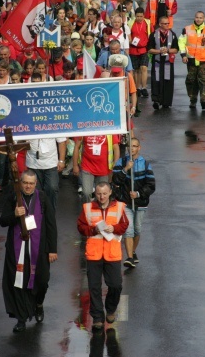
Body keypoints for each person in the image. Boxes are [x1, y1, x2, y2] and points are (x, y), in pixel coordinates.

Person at [0, 170, 58, 333]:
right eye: (25, 183)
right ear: (21, 182)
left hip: (39, 248)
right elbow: (3, 221)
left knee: (42, 280)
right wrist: (14, 215)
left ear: (35, 184)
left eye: (31, 183)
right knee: (19, 282)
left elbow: (51, 225)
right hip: (17, 248)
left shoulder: (43, 198)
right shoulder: (14, 197)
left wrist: (52, 249)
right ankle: (21, 319)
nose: (28, 186)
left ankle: (39, 304)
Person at [77, 182, 129, 330]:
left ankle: (111, 309)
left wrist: (114, 228)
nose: (101, 196)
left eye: (104, 193)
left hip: (112, 253)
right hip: (94, 253)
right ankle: (98, 318)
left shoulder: (119, 207)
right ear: (95, 193)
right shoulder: (87, 208)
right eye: (99, 193)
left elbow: (124, 224)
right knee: (94, 287)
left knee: (115, 285)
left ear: (110, 192)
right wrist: (93, 230)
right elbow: (80, 226)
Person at [112, 137, 155, 267]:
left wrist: (138, 194)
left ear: (139, 148)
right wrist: (125, 169)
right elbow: (115, 180)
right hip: (125, 202)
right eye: (130, 146)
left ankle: (133, 251)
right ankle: (130, 257)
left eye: (135, 146)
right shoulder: (121, 162)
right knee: (129, 230)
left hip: (141, 202)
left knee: (137, 229)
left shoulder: (146, 164)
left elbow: (151, 185)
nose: (132, 148)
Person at [179, 11, 205, 110]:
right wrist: (183, 55)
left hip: (204, 60)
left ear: (204, 19)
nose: (198, 19)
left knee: (203, 81)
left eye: (201, 18)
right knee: (191, 80)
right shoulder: (187, 29)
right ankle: (193, 100)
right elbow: (181, 42)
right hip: (191, 60)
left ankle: (204, 100)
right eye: (197, 17)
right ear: (194, 18)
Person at [72, 133, 121, 203]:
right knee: (86, 192)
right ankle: (87, 211)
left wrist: (115, 166)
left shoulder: (109, 128)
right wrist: (75, 165)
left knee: (102, 195)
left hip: (104, 169)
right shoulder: (84, 127)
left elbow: (116, 148)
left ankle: (98, 211)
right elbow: (77, 146)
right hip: (87, 166)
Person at [147, 16, 179, 109]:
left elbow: (176, 49)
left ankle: (166, 102)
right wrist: (159, 51)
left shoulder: (172, 34)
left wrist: (168, 50)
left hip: (168, 62)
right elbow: (149, 49)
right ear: (160, 24)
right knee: (156, 80)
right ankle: (156, 100)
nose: (167, 25)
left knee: (168, 81)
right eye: (165, 24)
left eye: (168, 23)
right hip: (157, 61)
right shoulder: (153, 35)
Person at [127, 7, 151, 97]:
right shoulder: (130, 23)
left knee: (144, 68)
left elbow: (151, 34)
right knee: (136, 70)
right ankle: (137, 88)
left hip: (144, 49)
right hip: (133, 49)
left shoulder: (147, 23)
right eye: (137, 16)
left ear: (143, 16)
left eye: (141, 16)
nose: (139, 18)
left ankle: (144, 88)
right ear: (135, 16)